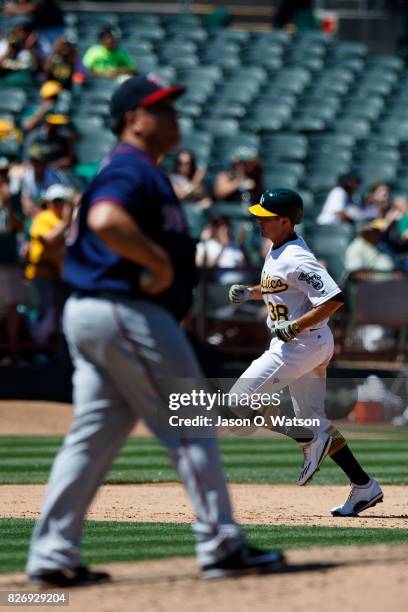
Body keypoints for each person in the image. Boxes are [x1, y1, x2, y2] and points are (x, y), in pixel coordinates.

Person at [26, 73, 285, 587]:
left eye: (171, 108)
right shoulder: (130, 167)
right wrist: (155, 264)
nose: (172, 118)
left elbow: (74, 231)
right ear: (133, 120)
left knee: (92, 437)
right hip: (125, 310)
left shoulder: (133, 169)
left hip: (96, 311)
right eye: (160, 109)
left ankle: (52, 556)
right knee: (190, 423)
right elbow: (102, 219)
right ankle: (221, 543)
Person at [228, 188, 383, 517]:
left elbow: (334, 298)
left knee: (237, 402)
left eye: (266, 217)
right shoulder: (278, 250)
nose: (259, 221)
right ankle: (363, 485)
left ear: (285, 221)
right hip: (308, 343)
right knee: (317, 421)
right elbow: (282, 287)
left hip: (298, 345)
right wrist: (251, 293)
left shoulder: (297, 255)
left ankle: (309, 437)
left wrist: (296, 326)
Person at [25, 183, 73, 345]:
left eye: (61, 201)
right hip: (41, 275)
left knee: (59, 314)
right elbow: (48, 241)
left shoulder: (68, 220)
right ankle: (38, 347)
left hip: (61, 276)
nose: (57, 204)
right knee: (44, 311)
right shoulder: (43, 218)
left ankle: (52, 348)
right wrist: (66, 223)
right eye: (55, 201)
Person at [0, 157, 24, 357]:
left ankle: (13, 350)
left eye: (4, 173)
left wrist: (7, 205)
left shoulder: (15, 198)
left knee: (12, 306)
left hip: (9, 259)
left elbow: (18, 226)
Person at [196, 215, 248, 283]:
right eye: (223, 228)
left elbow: (245, 265)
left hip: (240, 283)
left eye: (228, 227)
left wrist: (241, 245)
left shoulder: (236, 245)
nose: (226, 231)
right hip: (220, 286)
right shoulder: (206, 246)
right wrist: (223, 247)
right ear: (215, 230)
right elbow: (206, 268)